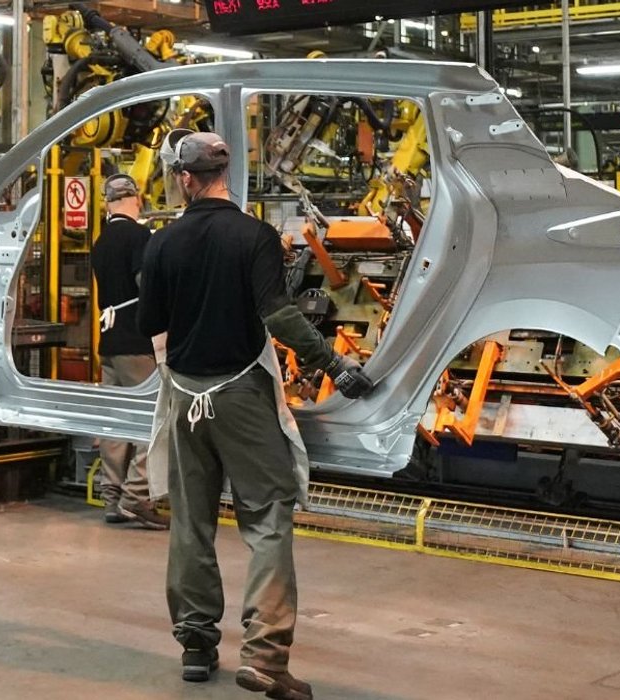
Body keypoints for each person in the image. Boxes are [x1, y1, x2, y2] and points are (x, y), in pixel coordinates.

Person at [138, 130, 374, 700]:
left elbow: (155, 327)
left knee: (191, 522)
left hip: (184, 399)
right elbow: (280, 316)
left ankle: (197, 645)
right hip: (242, 397)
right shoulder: (256, 236)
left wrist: (181, 378)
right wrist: (334, 365)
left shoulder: (162, 243)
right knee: (268, 522)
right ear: (223, 176)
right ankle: (265, 657)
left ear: (185, 179)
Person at [91, 173, 168, 530]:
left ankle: (111, 496)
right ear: (134, 199)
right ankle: (137, 497)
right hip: (137, 341)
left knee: (114, 421)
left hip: (108, 341)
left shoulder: (101, 240)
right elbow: (145, 284)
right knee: (150, 419)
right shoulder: (139, 236)